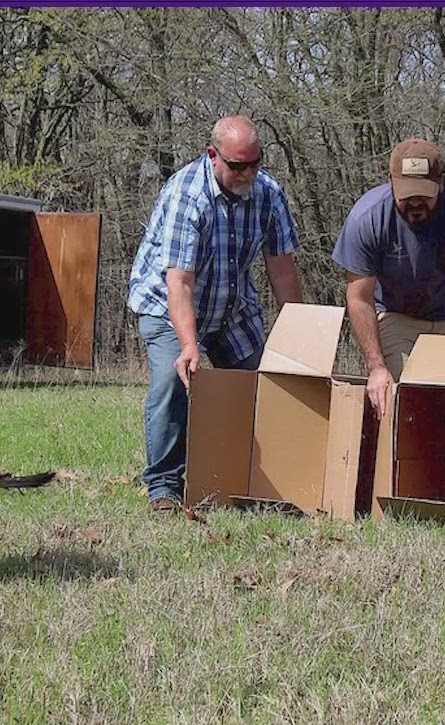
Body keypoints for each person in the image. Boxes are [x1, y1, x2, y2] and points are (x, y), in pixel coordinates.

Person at [127, 115, 305, 513]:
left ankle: (252, 481)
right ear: (213, 156)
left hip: (231, 306)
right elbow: (180, 283)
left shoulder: (268, 193)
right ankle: (164, 488)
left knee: (264, 385)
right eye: (238, 166)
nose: (248, 174)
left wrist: (300, 336)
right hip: (168, 305)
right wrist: (189, 346)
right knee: (173, 384)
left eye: (255, 164)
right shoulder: (186, 195)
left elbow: (282, 268)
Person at [333, 138, 445, 415]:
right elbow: (359, 298)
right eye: (406, 194)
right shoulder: (366, 218)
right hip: (395, 313)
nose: (415, 202)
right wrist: (376, 368)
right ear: (391, 182)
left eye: (424, 194)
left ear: (441, 183)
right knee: (405, 402)